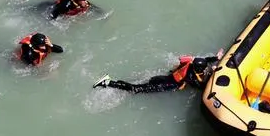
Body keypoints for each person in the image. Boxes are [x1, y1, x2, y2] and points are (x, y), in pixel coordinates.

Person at [92, 52, 221, 93]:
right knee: (135, 89)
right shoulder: (191, 75)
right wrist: (213, 74)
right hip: (168, 84)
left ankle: (115, 80)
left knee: (149, 81)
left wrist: (216, 58)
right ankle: (108, 82)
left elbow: (204, 60)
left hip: (167, 78)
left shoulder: (191, 63)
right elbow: (201, 87)